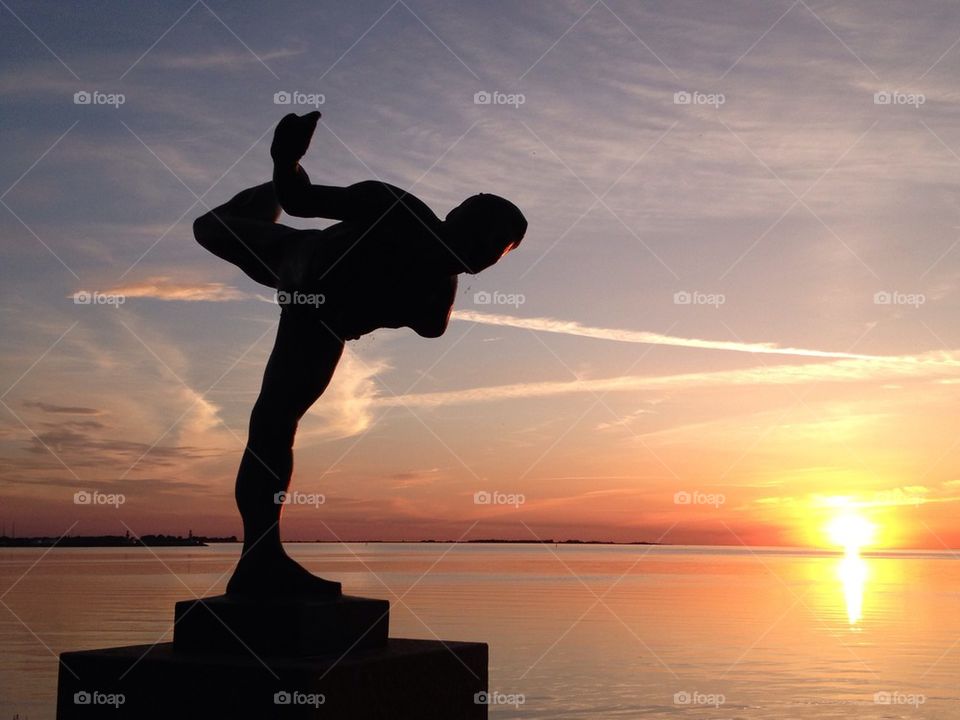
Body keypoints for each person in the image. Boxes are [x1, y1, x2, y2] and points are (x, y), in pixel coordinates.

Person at [192, 112, 527, 598]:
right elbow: (302, 200)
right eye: (481, 236)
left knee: (277, 421)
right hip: (300, 264)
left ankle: (260, 557)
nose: (483, 252)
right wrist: (286, 160)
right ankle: (259, 558)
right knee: (211, 225)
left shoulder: (438, 297)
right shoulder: (395, 207)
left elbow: (429, 327)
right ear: (455, 219)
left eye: (497, 249)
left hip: (326, 322)